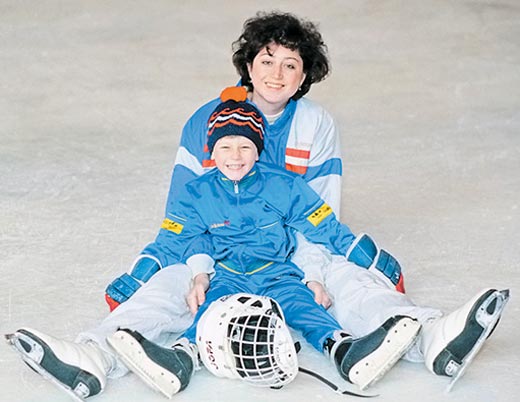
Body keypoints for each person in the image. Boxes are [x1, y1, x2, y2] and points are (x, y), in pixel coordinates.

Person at [5, 11, 509, 400]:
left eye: (291, 64)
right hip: (215, 243)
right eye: (267, 59)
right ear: (249, 64)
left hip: (294, 246)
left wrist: (314, 271)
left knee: (347, 277)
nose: (277, 72)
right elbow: (185, 214)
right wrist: (195, 267)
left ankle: (427, 337)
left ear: (304, 75)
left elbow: (321, 218)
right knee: (169, 288)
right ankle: (95, 357)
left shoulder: (316, 125)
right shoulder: (208, 121)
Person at [106, 96, 421, 396]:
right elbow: (171, 241)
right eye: (225, 146)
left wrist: (375, 262)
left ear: (258, 151)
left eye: (245, 146)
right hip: (227, 276)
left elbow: (325, 228)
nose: (236, 156)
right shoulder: (196, 193)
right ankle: (182, 357)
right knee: (209, 315)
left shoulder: (284, 185)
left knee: (305, 307)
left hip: (277, 273)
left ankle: (343, 349)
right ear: (212, 153)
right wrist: (137, 280)